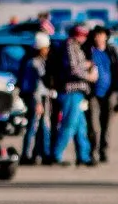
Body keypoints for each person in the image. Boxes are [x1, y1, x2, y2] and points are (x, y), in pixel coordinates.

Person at [46, 26, 97, 166]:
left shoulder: (75, 47)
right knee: (69, 124)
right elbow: (73, 69)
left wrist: (87, 64)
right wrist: (89, 76)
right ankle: (56, 154)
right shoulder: (70, 46)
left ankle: (84, 156)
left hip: (78, 92)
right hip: (71, 91)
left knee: (81, 126)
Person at [19, 33, 54, 165]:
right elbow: (36, 85)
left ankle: (40, 153)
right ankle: (29, 154)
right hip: (37, 97)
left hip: (40, 96)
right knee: (36, 126)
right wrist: (38, 102)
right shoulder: (34, 63)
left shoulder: (34, 62)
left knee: (41, 126)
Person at [85, 30, 116, 164]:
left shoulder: (111, 52)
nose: (99, 38)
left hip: (109, 93)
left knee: (106, 124)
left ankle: (104, 150)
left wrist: (116, 88)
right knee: (93, 125)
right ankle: (93, 151)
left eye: (101, 35)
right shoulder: (88, 51)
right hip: (93, 93)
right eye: (96, 35)